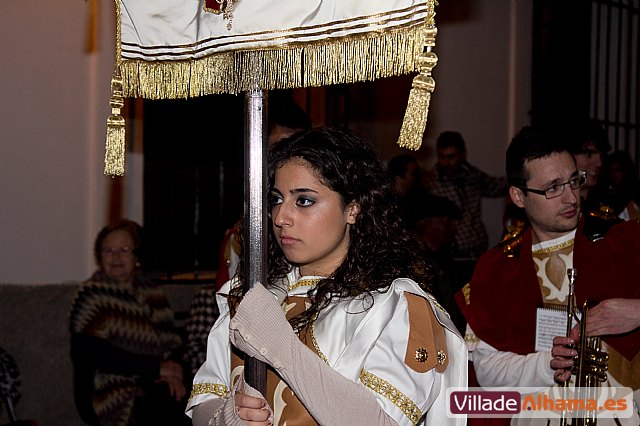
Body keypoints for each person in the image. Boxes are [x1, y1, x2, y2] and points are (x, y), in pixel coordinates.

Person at [187, 128, 467, 425]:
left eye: (304, 200)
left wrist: (281, 346)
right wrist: (226, 416)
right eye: (276, 199)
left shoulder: (394, 307)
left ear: (353, 208)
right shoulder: (249, 295)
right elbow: (203, 401)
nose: (280, 217)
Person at [455, 127, 640, 425]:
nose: (571, 198)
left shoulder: (622, 241)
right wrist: (547, 364)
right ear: (518, 196)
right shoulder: (498, 268)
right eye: (553, 188)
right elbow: (487, 370)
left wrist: (636, 311)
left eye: (574, 181)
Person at [69, 219, 190, 426]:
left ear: (137, 257)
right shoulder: (90, 294)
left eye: (124, 250)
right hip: (108, 388)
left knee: (195, 396)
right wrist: (155, 369)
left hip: (154, 381)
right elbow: (93, 353)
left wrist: (172, 373)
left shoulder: (153, 293)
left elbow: (173, 342)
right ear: (100, 256)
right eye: (109, 251)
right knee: (163, 404)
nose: (116, 257)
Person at [424, 131, 507, 285]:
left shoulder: (472, 176)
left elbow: (497, 186)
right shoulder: (432, 184)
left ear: (462, 155)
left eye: (451, 157)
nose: (445, 162)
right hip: (452, 260)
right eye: (441, 156)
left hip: (478, 254)